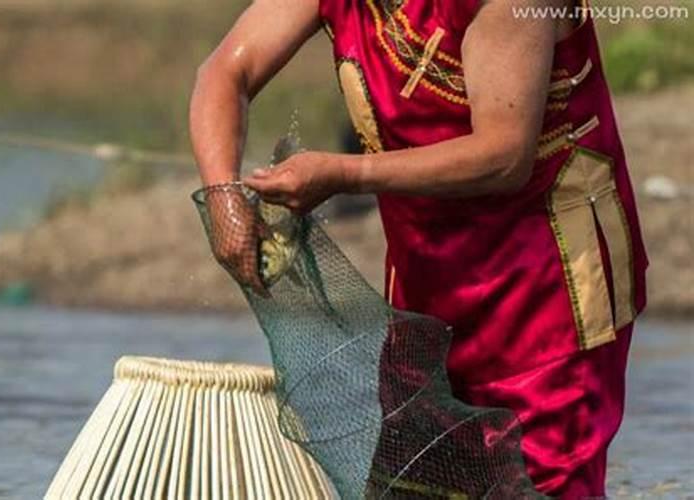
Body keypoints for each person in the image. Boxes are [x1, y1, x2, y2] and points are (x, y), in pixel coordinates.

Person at [189, 0, 648, 497]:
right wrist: (222, 196)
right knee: (419, 477)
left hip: (545, 284)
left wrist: (344, 174)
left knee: (542, 479)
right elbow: (224, 72)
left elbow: (504, 154)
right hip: (426, 273)